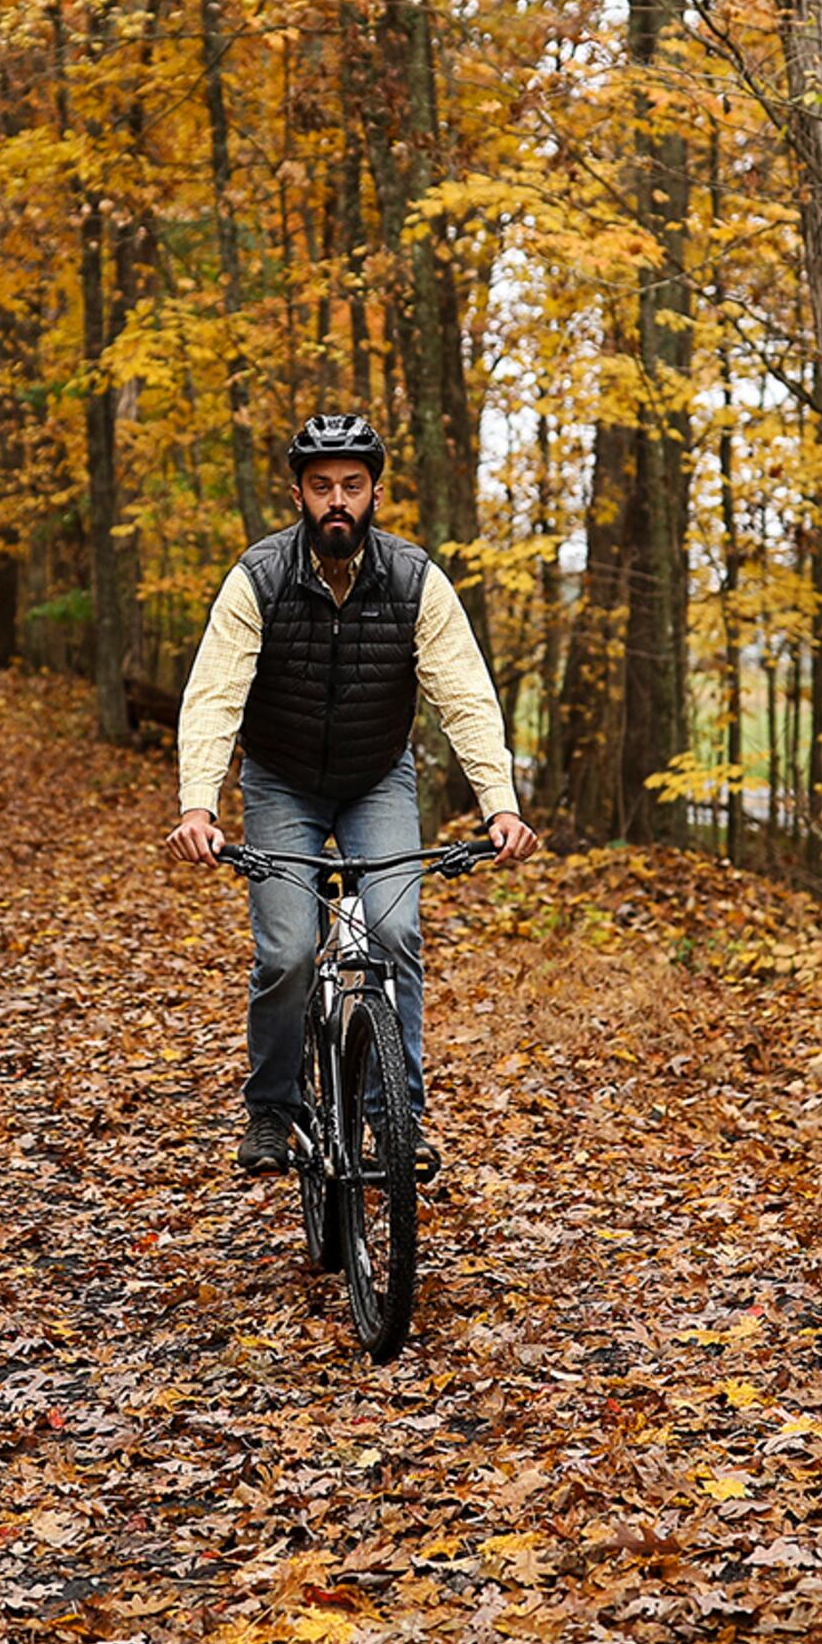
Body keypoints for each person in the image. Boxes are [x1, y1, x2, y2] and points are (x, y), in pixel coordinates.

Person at [168, 411, 536, 1178]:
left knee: (396, 934)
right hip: (281, 780)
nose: (338, 499)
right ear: (299, 493)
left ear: (373, 493)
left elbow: (465, 697)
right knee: (290, 950)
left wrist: (499, 802)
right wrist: (198, 805)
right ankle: (273, 1106)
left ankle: (396, 1120)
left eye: (353, 486)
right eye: (322, 485)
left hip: (377, 778)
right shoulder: (258, 579)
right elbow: (214, 697)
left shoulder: (414, 579)